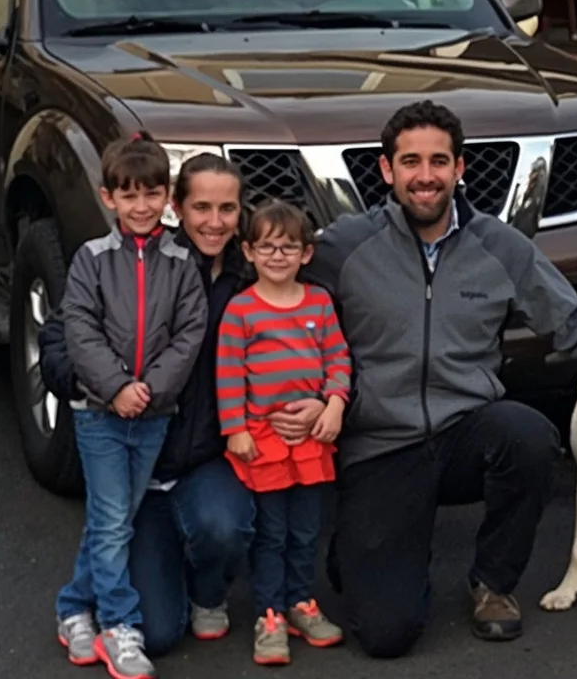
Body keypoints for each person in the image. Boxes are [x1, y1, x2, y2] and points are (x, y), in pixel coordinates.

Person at [264, 99, 577, 659]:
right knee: (386, 634)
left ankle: (493, 582)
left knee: (530, 437)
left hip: (467, 431)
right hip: (381, 442)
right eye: (409, 162)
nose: (425, 176)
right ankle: (362, 552)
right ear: (386, 170)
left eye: (438, 161)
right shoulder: (345, 247)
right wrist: (308, 396)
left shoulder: (500, 247)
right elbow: (274, 297)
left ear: (459, 168)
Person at [39, 154, 267, 660]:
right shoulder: (135, 260)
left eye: (227, 209)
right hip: (133, 442)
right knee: (159, 631)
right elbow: (60, 338)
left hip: (204, 455)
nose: (214, 222)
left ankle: (207, 590)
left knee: (223, 526)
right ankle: (116, 593)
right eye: (201, 207)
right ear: (177, 207)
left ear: (240, 211)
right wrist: (104, 386)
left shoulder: (254, 275)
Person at [53, 135, 208, 679]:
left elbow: (190, 332)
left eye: (152, 194)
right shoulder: (91, 259)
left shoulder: (182, 263)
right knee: (114, 518)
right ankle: (120, 624)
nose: (141, 206)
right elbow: (79, 329)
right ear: (108, 197)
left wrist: (151, 389)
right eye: (129, 195)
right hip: (98, 411)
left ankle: (75, 608)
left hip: (154, 414)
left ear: (167, 196)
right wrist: (117, 386)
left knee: (113, 517)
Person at [216, 199, 351, 666]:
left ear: (306, 253)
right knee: (271, 533)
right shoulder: (241, 310)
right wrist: (235, 429)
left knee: (307, 530)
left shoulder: (319, 303)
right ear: (249, 252)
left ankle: (300, 603)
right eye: (267, 247)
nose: (278, 256)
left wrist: (335, 404)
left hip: (312, 441)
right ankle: (269, 613)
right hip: (263, 441)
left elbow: (338, 359)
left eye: (289, 247)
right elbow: (228, 373)